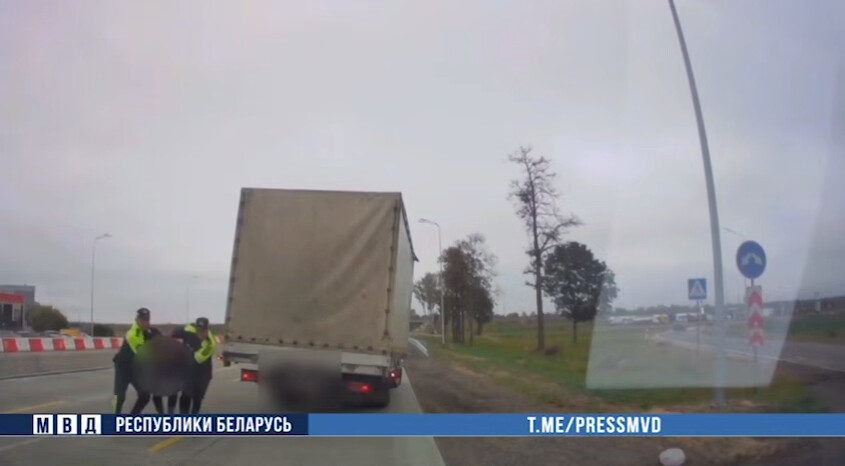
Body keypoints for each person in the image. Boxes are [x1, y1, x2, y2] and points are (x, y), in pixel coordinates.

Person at [112, 308, 156, 414]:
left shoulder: (147, 332)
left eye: (147, 319)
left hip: (135, 369)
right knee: (120, 396)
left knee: (145, 395)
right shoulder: (133, 334)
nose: (145, 322)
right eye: (143, 320)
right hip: (123, 368)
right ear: (137, 319)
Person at [171, 317, 217, 414]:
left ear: (207, 330)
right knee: (185, 396)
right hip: (189, 371)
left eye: (203, 331)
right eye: (199, 330)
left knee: (197, 398)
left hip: (203, 374)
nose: (201, 334)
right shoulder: (189, 332)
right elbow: (174, 333)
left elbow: (196, 359)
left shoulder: (210, 344)